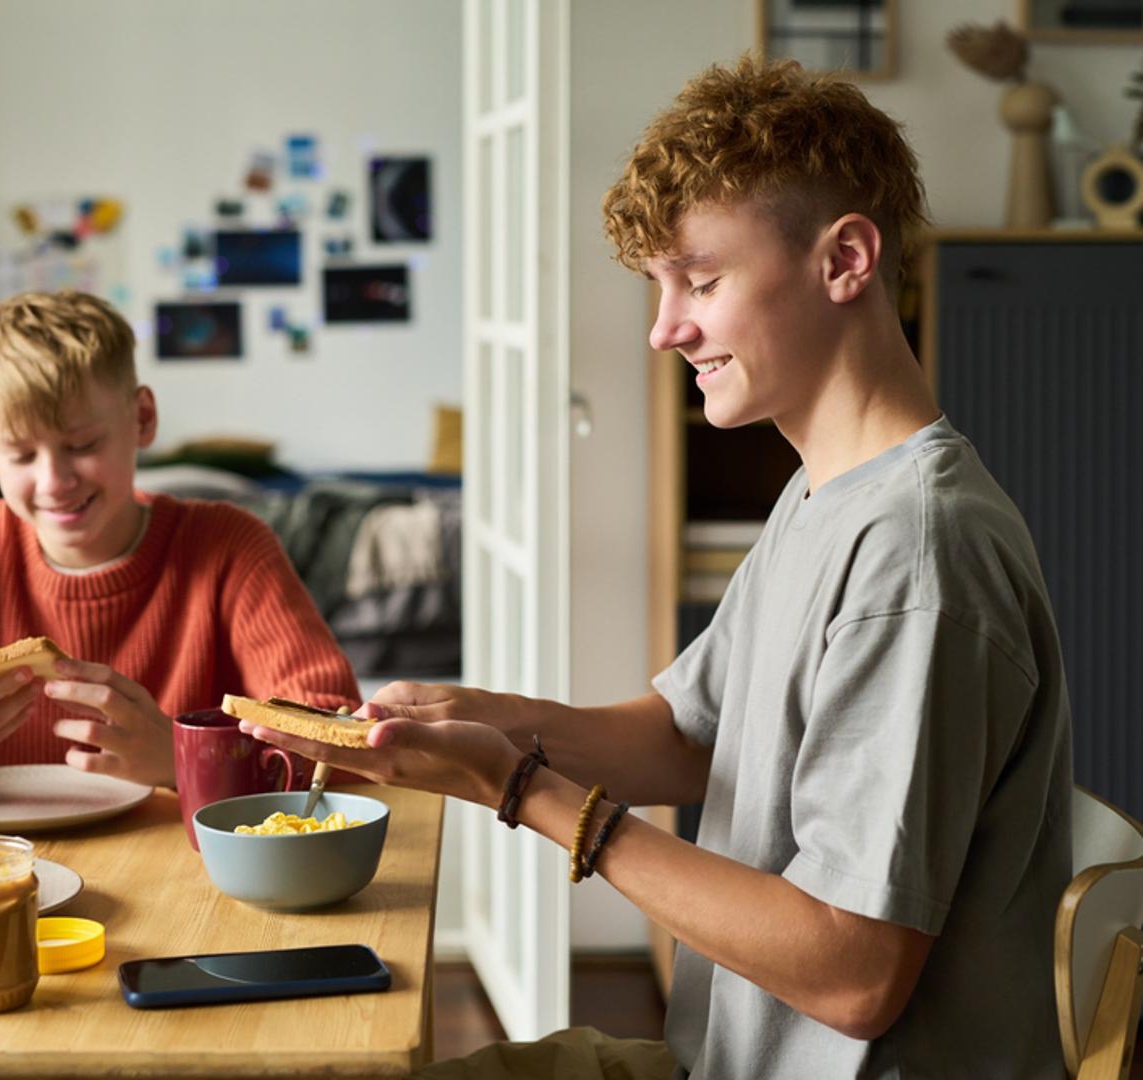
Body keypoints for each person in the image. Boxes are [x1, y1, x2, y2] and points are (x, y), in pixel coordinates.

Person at [243, 56, 1074, 1080]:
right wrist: (477, 719)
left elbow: (854, 974)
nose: (663, 328)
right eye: (660, 286)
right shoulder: (825, 491)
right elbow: (691, 740)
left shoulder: (918, 552)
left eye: (702, 280)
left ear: (845, 258)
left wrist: (522, 787)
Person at [0, 289, 358, 792]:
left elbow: (341, 738)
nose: (54, 481)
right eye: (22, 454)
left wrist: (183, 758)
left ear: (142, 419)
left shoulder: (230, 547)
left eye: (82, 445)